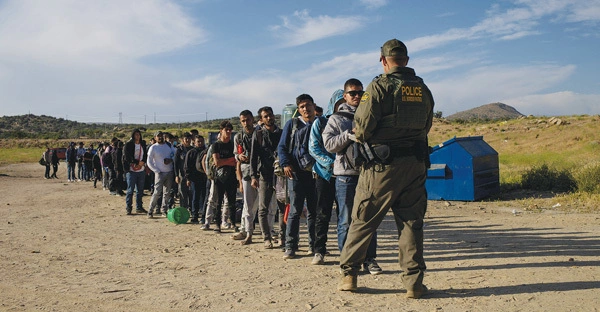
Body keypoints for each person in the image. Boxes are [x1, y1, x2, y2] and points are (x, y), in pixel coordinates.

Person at [337, 39, 434, 299]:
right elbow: (426, 126)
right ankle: (413, 283)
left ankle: (350, 275)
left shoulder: (378, 87)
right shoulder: (423, 89)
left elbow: (364, 126)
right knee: (411, 223)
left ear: (383, 60)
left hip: (381, 168)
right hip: (414, 165)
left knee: (363, 219)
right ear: (406, 59)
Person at [324, 79, 382, 274]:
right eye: (352, 93)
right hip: (346, 177)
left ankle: (370, 259)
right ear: (345, 96)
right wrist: (349, 134)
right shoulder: (336, 119)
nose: (357, 96)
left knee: (369, 219)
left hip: (368, 174)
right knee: (346, 220)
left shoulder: (371, 115)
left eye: (360, 92)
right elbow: (329, 145)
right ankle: (347, 261)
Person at [278, 94, 318, 259]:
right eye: (301, 106)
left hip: (316, 174)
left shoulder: (320, 123)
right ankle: (290, 246)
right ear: (298, 109)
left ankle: (314, 246)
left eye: (308, 105)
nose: (305, 109)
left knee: (314, 211)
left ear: (313, 105)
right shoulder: (292, 124)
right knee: (295, 210)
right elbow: (282, 147)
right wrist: (285, 164)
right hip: (296, 174)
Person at [307, 90, 342, 265]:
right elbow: (313, 148)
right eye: (339, 102)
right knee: (322, 213)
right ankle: (319, 250)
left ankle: (346, 251)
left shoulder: (350, 121)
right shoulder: (320, 123)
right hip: (324, 174)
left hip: (345, 175)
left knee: (345, 214)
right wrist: (331, 164)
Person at [250, 106, 284, 249]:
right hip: (264, 175)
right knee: (263, 208)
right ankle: (266, 238)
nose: (269, 118)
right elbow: (253, 157)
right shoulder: (257, 134)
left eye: (270, 115)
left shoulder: (282, 133)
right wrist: (253, 176)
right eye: (266, 116)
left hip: (280, 176)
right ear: (261, 119)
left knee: (282, 208)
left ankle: (283, 237)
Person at [233, 110, 259, 244]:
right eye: (243, 120)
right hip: (247, 172)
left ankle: (270, 232)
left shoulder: (259, 133)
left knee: (264, 205)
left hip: (261, 172)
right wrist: (239, 156)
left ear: (252, 119)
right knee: (248, 205)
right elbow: (236, 154)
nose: (245, 123)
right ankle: (247, 231)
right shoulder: (239, 137)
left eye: (248, 120)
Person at [211, 121, 238, 233]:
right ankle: (217, 224)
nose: (228, 132)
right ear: (221, 130)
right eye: (226, 130)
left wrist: (226, 161)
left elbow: (236, 161)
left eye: (230, 130)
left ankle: (232, 223)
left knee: (232, 202)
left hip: (231, 176)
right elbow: (217, 162)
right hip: (219, 177)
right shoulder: (216, 145)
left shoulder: (233, 145)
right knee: (218, 202)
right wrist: (230, 161)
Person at [146, 131, 175, 218]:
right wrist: (156, 170)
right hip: (159, 173)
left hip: (169, 172)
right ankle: (150, 210)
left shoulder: (169, 145)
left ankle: (164, 210)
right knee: (157, 192)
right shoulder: (153, 148)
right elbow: (149, 161)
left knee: (167, 193)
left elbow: (175, 154)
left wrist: (171, 160)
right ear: (155, 138)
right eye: (158, 136)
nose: (160, 137)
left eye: (161, 136)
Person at [123, 128, 147, 215]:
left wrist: (142, 163)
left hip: (141, 170)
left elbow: (145, 155)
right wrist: (136, 162)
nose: (137, 136)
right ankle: (128, 207)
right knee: (130, 190)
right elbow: (127, 156)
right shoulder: (128, 145)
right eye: (136, 134)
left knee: (140, 190)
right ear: (133, 135)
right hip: (131, 170)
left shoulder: (143, 144)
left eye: (139, 134)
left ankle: (139, 207)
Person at [184, 135, 208, 224]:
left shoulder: (206, 151)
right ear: (194, 142)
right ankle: (194, 215)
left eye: (202, 141)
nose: (200, 143)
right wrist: (188, 178)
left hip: (205, 178)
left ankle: (204, 215)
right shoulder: (191, 153)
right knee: (195, 197)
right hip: (194, 179)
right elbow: (186, 167)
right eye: (198, 141)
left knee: (205, 197)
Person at [175, 132, 193, 211]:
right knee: (182, 193)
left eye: (189, 138)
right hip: (182, 175)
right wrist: (176, 175)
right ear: (182, 140)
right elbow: (176, 163)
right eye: (186, 139)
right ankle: (183, 210)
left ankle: (192, 209)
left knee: (191, 193)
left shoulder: (193, 149)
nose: (187, 140)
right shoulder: (179, 150)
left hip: (192, 175)